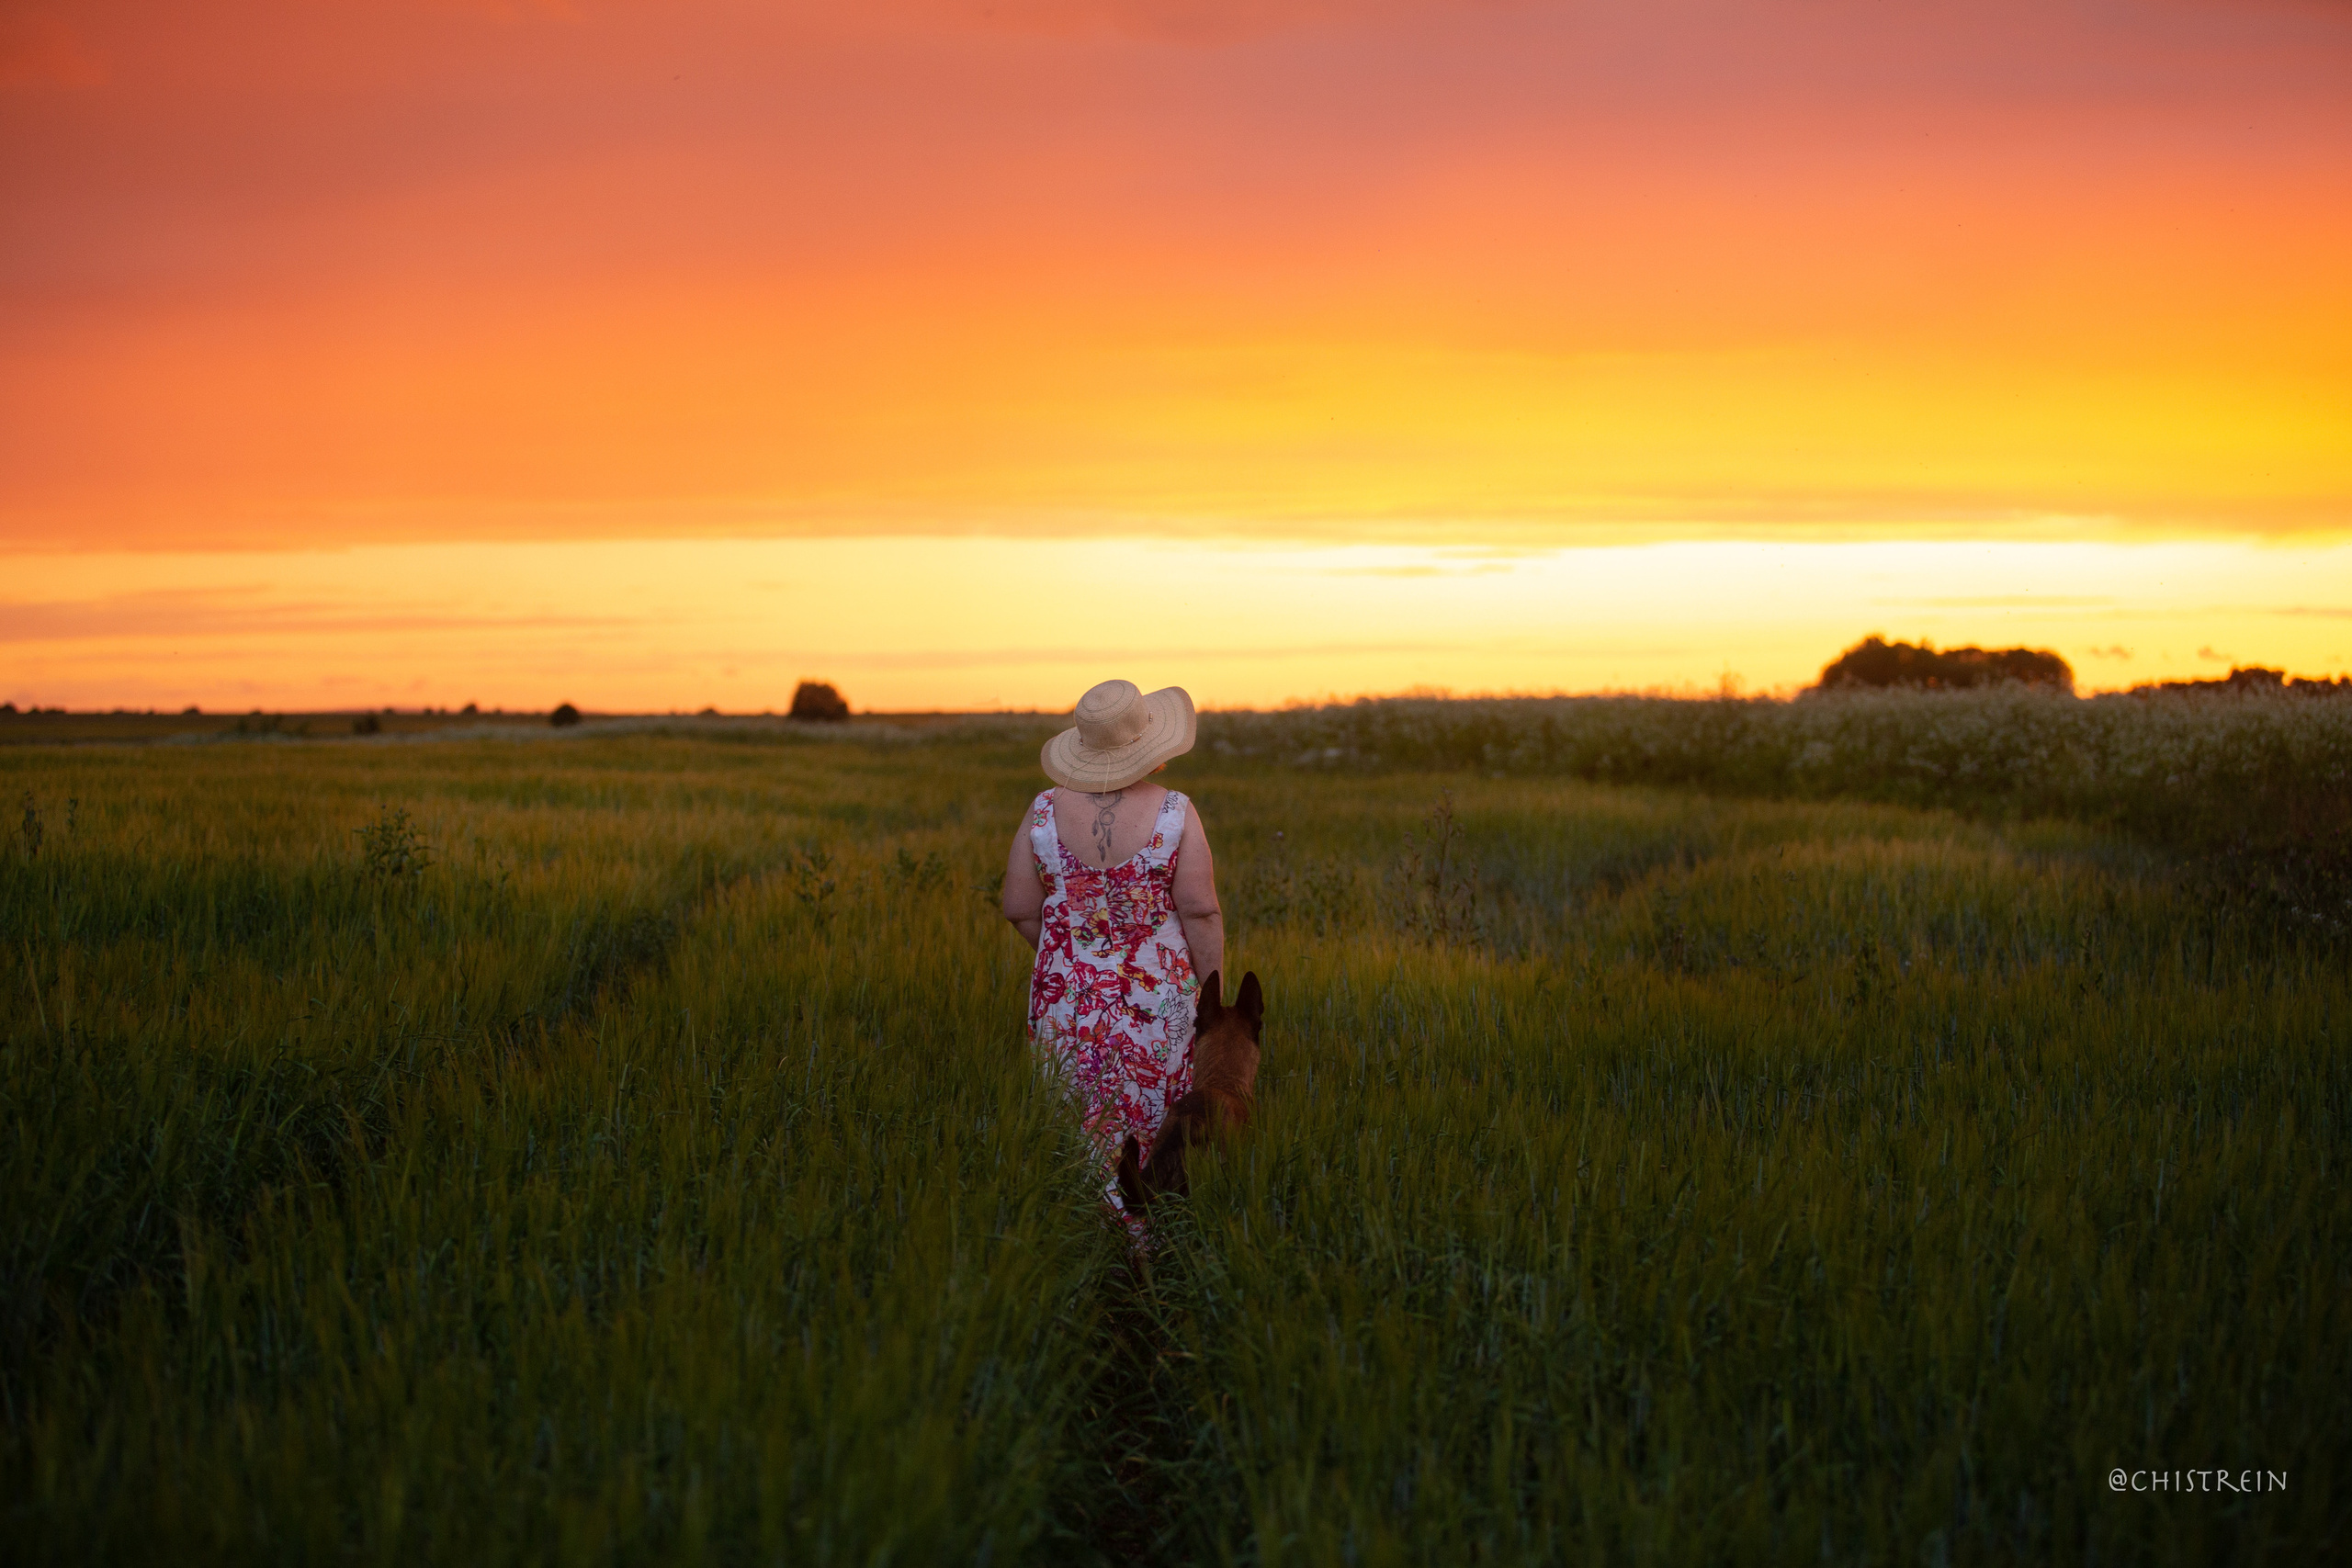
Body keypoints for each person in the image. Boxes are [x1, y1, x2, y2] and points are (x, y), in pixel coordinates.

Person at [1001, 678, 1223, 1211]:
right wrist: (1211, 989)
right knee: (1157, 1120)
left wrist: (1065, 954)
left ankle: (1091, 1232)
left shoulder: (1044, 811)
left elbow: (1018, 907)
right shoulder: (1175, 811)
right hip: (1161, 1004)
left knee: (1078, 1124)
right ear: (1149, 744)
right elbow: (1200, 910)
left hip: (1068, 1001)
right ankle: (1154, 1232)